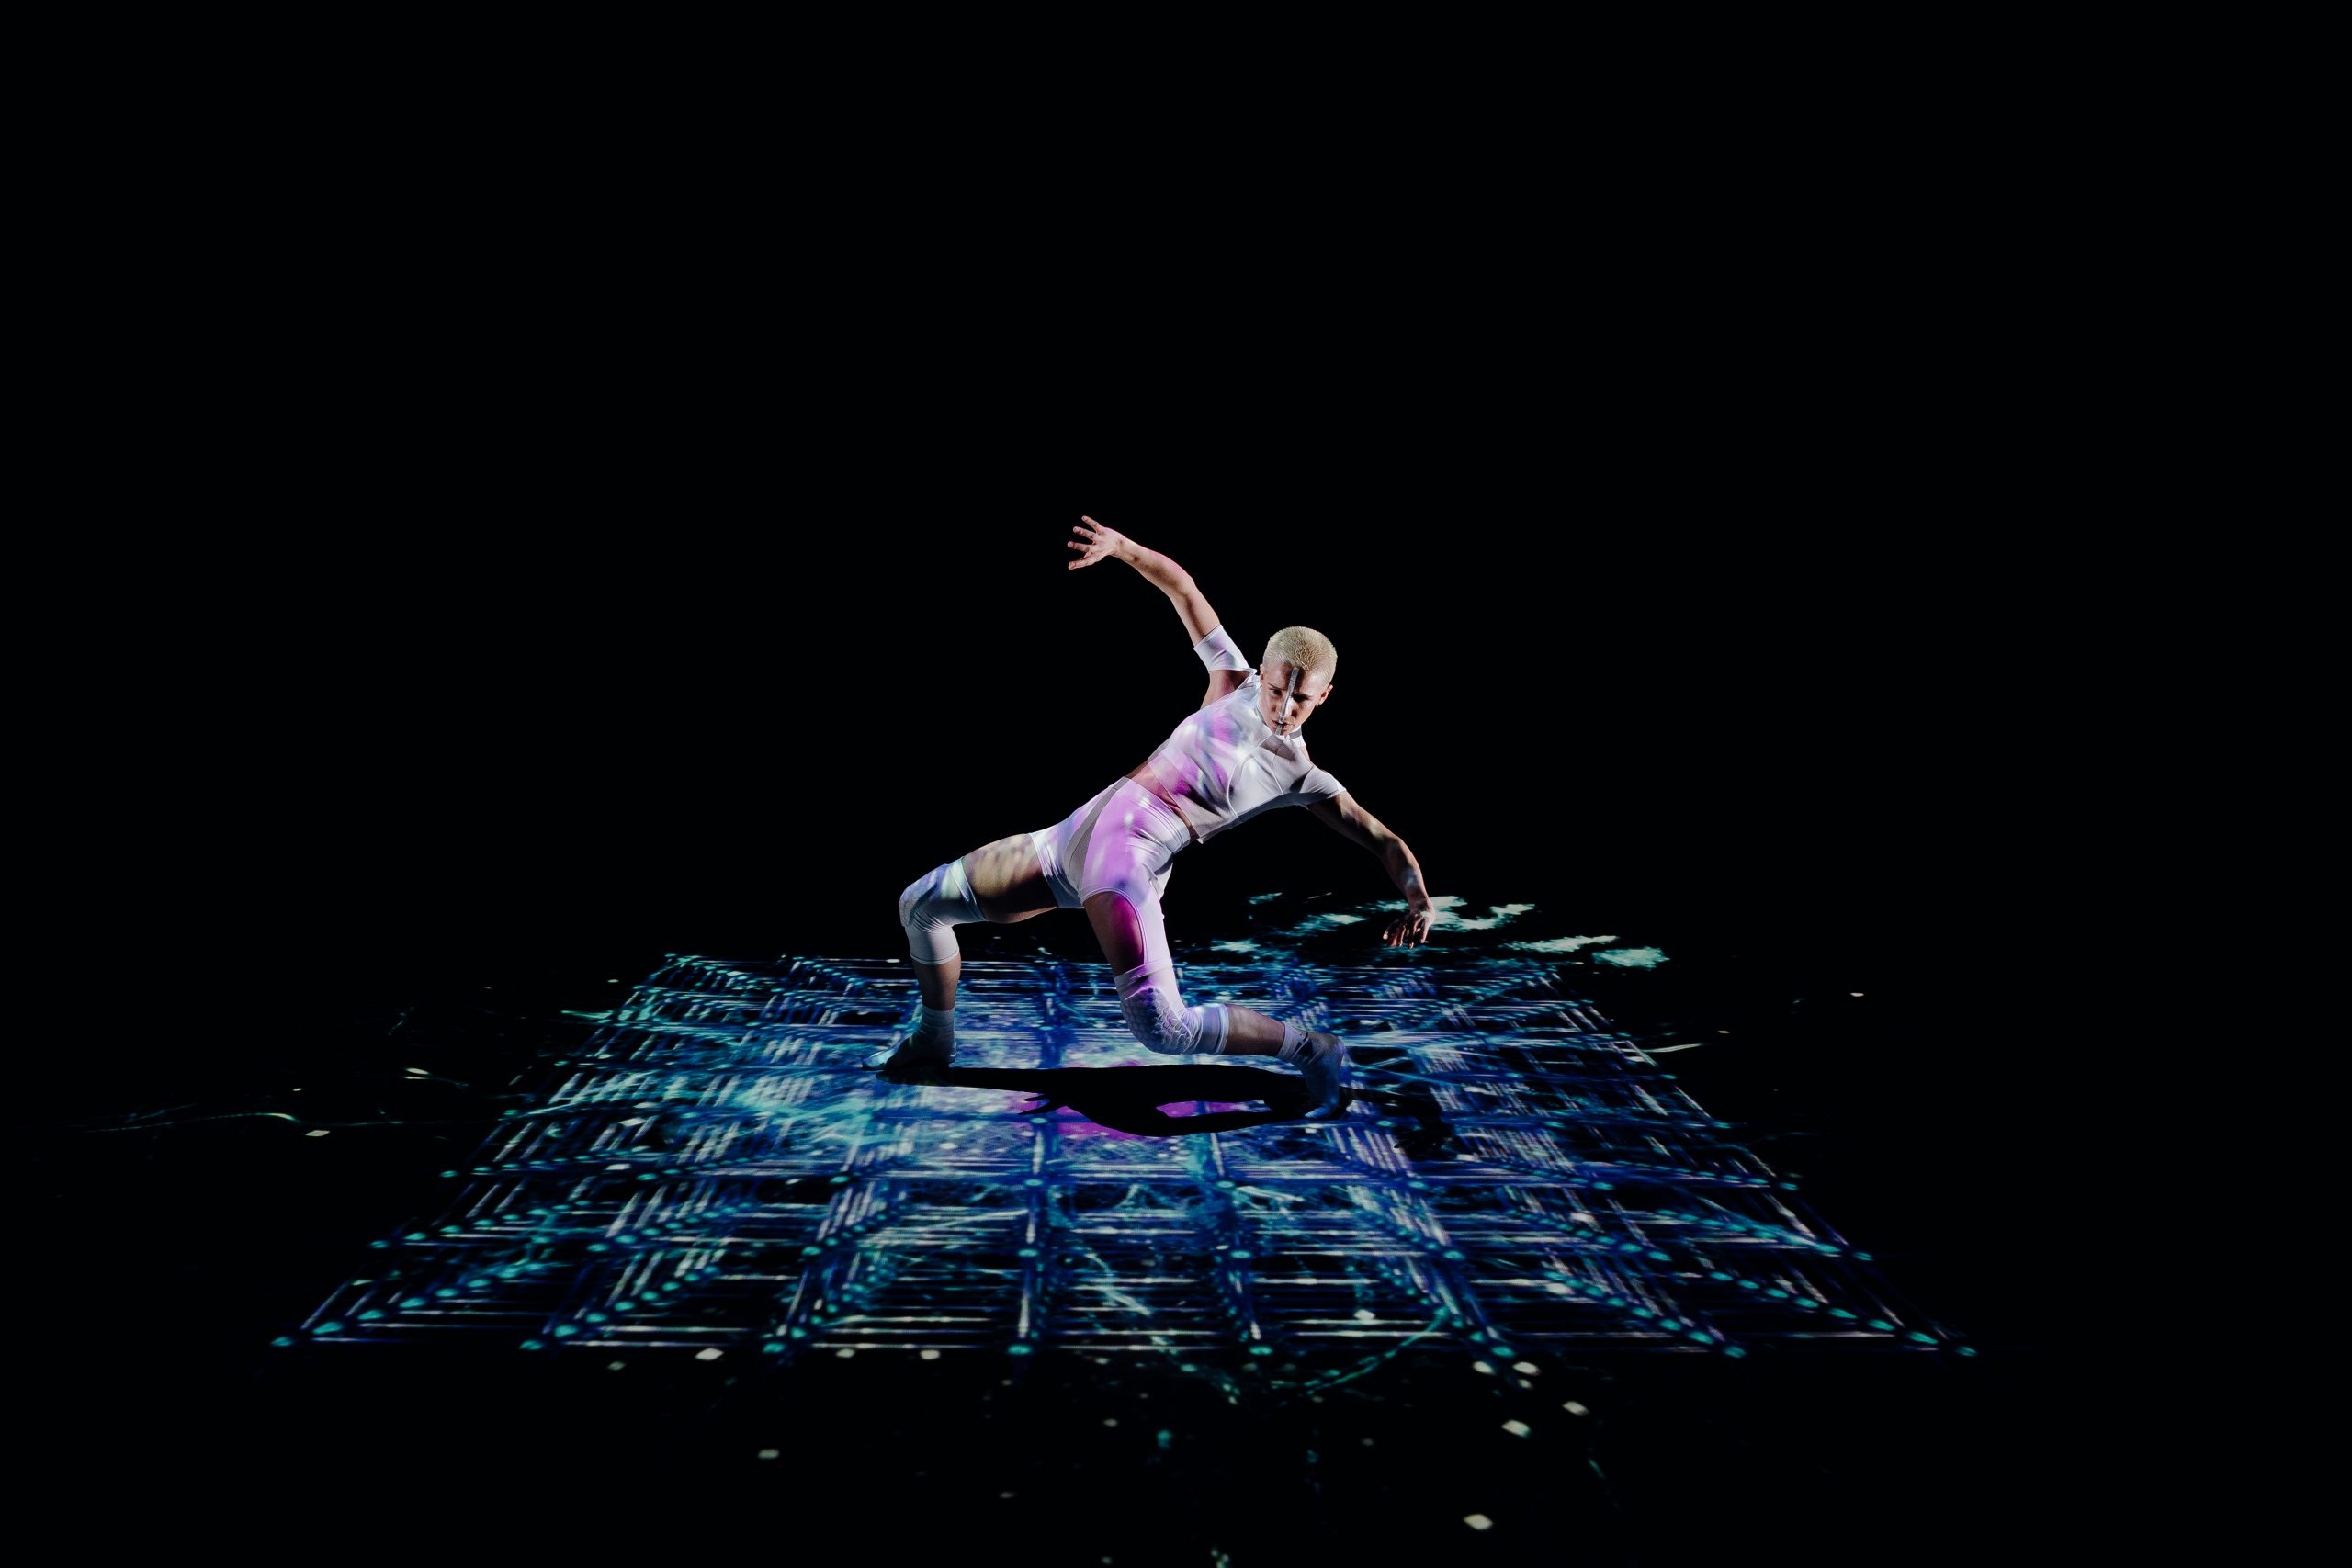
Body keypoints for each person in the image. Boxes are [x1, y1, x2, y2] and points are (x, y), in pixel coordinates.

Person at [886, 517, 1437, 1118]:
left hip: (1126, 864)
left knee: (1163, 1028)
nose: (1283, 707)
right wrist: (1123, 548)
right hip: (1075, 837)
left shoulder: (1304, 777)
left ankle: (1314, 1049)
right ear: (1265, 670)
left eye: (1299, 699)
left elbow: (1381, 837)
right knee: (921, 903)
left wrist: (1417, 898)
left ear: (1325, 696)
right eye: (1278, 689)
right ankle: (934, 1037)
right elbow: (1183, 588)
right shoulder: (1232, 680)